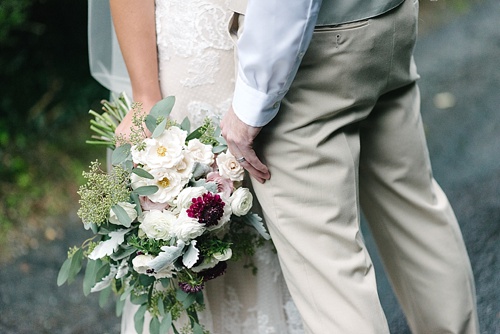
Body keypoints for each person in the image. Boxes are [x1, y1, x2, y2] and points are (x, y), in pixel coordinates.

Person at [221, 0, 480, 333]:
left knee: (330, 271)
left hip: (310, 54)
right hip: (387, 18)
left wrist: (252, 102)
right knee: (414, 212)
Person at [88, 0, 303, 333]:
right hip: (188, 59)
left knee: (275, 224)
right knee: (190, 222)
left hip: (269, 49)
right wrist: (145, 94)